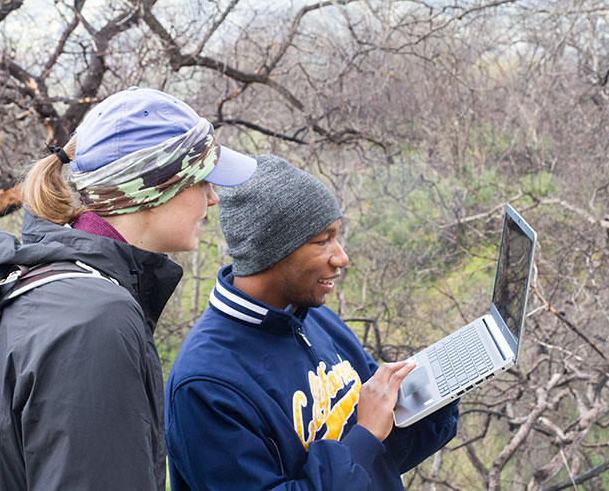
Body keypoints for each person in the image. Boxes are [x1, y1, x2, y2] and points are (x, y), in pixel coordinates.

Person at [0, 87, 256, 491]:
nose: (214, 197)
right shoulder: (94, 322)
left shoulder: (44, 280)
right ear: (150, 188)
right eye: (201, 180)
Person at [165, 154, 459, 491]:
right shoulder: (206, 385)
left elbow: (380, 459)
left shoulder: (312, 317)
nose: (342, 257)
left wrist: (439, 394)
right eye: (323, 241)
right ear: (272, 250)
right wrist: (365, 436)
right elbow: (365, 443)